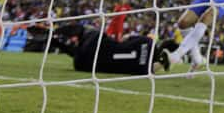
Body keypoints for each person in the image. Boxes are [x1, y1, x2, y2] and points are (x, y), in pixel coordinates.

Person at [28, 24, 169, 75]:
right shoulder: (144, 71)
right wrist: (163, 63)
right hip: (86, 65)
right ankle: (55, 42)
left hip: (96, 44)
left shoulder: (146, 41)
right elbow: (155, 67)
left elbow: (125, 39)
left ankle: (53, 31)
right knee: (80, 55)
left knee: (84, 30)